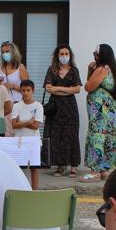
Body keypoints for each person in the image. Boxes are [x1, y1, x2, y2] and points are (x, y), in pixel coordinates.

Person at [81, 43, 116, 182]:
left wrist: (91, 71)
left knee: (97, 136)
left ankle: (94, 172)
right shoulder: (114, 67)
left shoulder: (102, 69)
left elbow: (88, 86)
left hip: (102, 112)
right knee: (108, 138)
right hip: (112, 111)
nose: (94, 56)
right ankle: (105, 171)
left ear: (103, 55)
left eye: (96, 53)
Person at [43, 44, 82, 176]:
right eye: (61, 54)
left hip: (70, 108)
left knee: (71, 135)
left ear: (70, 55)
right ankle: (60, 166)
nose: (64, 56)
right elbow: (48, 88)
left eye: (66, 54)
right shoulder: (52, 70)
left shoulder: (74, 70)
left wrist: (57, 89)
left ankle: (73, 166)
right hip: (55, 108)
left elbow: (77, 89)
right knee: (57, 136)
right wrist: (67, 90)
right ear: (57, 56)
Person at [9, 79, 44, 190]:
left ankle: (34, 189)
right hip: (19, 140)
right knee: (18, 167)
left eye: (28, 90)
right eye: (23, 90)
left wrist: (21, 122)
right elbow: (14, 125)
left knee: (34, 167)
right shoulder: (16, 106)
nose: (25, 93)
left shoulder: (38, 106)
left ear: (32, 91)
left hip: (33, 140)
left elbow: (36, 126)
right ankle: (19, 188)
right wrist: (28, 122)